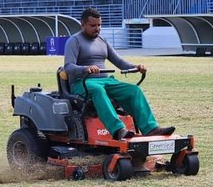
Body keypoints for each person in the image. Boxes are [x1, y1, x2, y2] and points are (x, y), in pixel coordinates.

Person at [63, 7, 175, 140]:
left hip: (106, 81)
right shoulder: (74, 41)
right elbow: (68, 67)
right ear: (83, 24)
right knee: (98, 90)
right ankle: (118, 130)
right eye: (93, 25)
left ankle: (150, 128)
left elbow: (120, 62)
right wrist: (85, 68)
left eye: (99, 25)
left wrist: (136, 67)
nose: (97, 28)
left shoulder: (103, 42)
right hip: (83, 83)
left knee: (134, 90)